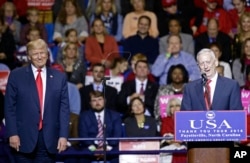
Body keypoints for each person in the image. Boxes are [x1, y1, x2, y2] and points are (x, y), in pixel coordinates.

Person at [4, 39, 70, 162]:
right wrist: (12, 133)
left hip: (49, 139)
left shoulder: (59, 77)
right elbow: (9, 107)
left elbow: (64, 109)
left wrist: (63, 135)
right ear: (29, 56)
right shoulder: (16, 75)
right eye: (35, 53)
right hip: (22, 138)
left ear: (47, 54)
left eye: (42, 52)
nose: (40, 57)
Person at [78, 91, 122, 163]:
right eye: (94, 100)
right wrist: (94, 150)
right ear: (90, 103)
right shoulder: (84, 116)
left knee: (117, 159)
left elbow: (117, 135)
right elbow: (83, 136)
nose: (97, 102)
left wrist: (105, 149)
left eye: (100, 99)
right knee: (83, 159)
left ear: (104, 101)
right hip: (90, 148)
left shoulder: (115, 115)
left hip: (110, 147)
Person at [160, 97, 186, 163]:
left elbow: (186, 135)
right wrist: (174, 142)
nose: (175, 108)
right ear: (169, 109)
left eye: (177, 106)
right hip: (169, 146)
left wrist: (179, 142)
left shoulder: (186, 120)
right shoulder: (165, 121)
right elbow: (165, 136)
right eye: (172, 106)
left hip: (183, 145)